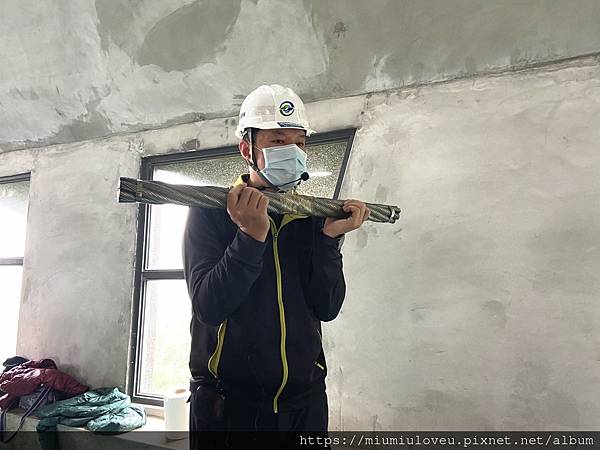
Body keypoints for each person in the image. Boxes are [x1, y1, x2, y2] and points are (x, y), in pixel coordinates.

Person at [183, 84, 370, 449]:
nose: (293, 151)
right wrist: (250, 237)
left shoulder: (312, 216)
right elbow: (209, 306)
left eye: (300, 143)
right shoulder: (211, 212)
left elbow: (327, 307)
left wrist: (328, 241)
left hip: (304, 403)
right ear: (246, 149)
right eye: (279, 141)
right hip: (229, 409)